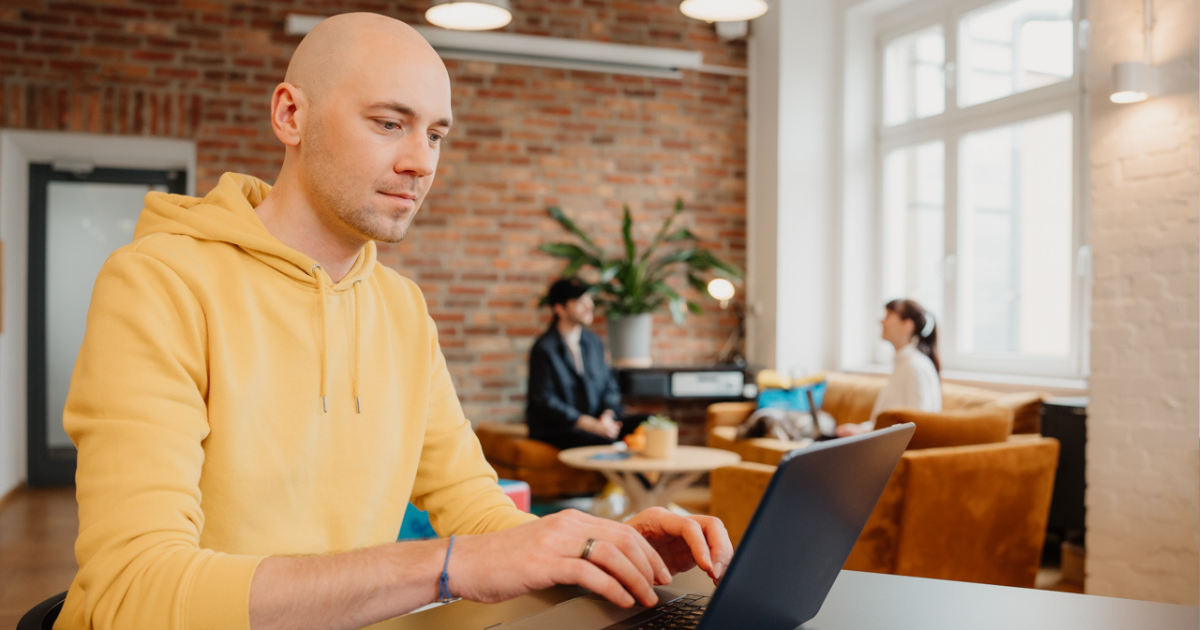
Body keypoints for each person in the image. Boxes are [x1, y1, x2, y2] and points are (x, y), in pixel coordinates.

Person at [57, 14, 731, 630]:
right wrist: (447, 565)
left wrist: (587, 548)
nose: (422, 161)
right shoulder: (158, 283)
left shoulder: (402, 308)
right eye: (389, 123)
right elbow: (132, 593)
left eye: (436, 133)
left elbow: (476, 508)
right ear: (291, 115)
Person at [526, 278, 646, 449]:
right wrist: (591, 425)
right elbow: (545, 401)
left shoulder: (594, 342)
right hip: (563, 429)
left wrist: (607, 417)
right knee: (606, 442)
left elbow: (610, 387)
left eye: (588, 299)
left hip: (599, 422)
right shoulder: (544, 349)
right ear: (560, 308)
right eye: (579, 302)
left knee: (650, 423)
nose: (589, 306)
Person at [835, 299, 942, 437]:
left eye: (887, 316)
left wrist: (865, 432)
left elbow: (917, 425)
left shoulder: (914, 366)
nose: (881, 322)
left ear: (907, 325)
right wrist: (862, 429)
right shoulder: (904, 364)